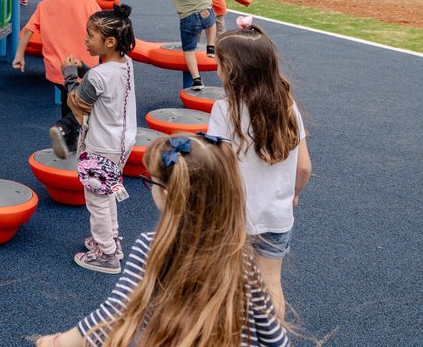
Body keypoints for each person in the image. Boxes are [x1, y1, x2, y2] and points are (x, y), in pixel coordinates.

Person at [31, 133, 289, 347]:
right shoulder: (240, 256)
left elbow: (113, 316)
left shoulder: (152, 248)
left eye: (150, 180)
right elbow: (275, 338)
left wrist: (55, 342)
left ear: (167, 193)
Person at [208, 18, 312, 320]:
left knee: (227, 284)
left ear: (235, 71)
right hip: (276, 216)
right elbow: (304, 167)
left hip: (233, 217)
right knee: (271, 285)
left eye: (220, 64)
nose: (217, 70)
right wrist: (293, 195)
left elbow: (219, 167)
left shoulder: (223, 110)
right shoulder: (288, 106)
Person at [64, 4, 137, 274]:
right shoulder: (125, 64)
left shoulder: (97, 76)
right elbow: (105, 84)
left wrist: (70, 74)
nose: (85, 39)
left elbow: (78, 101)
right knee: (106, 193)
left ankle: (106, 255)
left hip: (101, 145)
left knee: (96, 199)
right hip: (121, 142)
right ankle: (111, 241)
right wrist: (84, 67)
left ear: (109, 41)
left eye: (90, 35)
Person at [11, 0, 102, 158]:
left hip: (57, 68)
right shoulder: (89, 2)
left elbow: (27, 30)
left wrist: (19, 55)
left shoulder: (46, 4)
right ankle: (63, 129)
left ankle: (69, 143)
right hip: (84, 67)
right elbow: (102, 31)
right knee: (90, 105)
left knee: (67, 100)